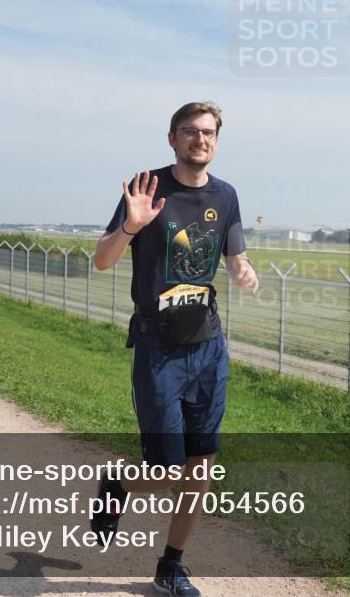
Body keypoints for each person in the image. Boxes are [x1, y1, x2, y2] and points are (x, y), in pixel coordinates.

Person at [92, 102, 258, 597]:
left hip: (208, 345)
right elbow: (102, 261)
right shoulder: (146, 188)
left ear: (217, 140)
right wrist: (131, 226)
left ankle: (171, 566)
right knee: (164, 469)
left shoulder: (225, 196)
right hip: (158, 348)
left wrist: (242, 271)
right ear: (172, 139)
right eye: (190, 131)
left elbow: (234, 254)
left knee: (200, 464)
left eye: (208, 132)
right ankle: (118, 485)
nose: (200, 139)